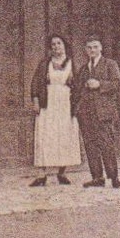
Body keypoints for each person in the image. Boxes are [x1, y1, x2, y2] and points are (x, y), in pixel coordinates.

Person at [70, 36, 120, 188]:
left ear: (100, 48)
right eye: (89, 48)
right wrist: (77, 109)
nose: (92, 50)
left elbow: (117, 84)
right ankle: (97, 177)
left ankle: (114, 178)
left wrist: (99, 84)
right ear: (86, 50)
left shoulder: (110, 64)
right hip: (86, 113)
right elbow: (77, 90)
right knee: (90, 145)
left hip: (103, 113)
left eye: (95, 47)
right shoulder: (84, 68)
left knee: (107, 145)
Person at [29, 34, 80, 186]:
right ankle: (42, 174)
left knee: (63, 136)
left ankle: (62, 172)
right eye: (53, 44)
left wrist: (75, 106)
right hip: (48, 103)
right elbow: (35, 84)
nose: (56, 47)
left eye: (59, 43)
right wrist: (36, 101)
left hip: (65, 104)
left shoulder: (72, 64)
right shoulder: (45, 64)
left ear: (65, 45)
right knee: (45, 135)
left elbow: (78, 87)